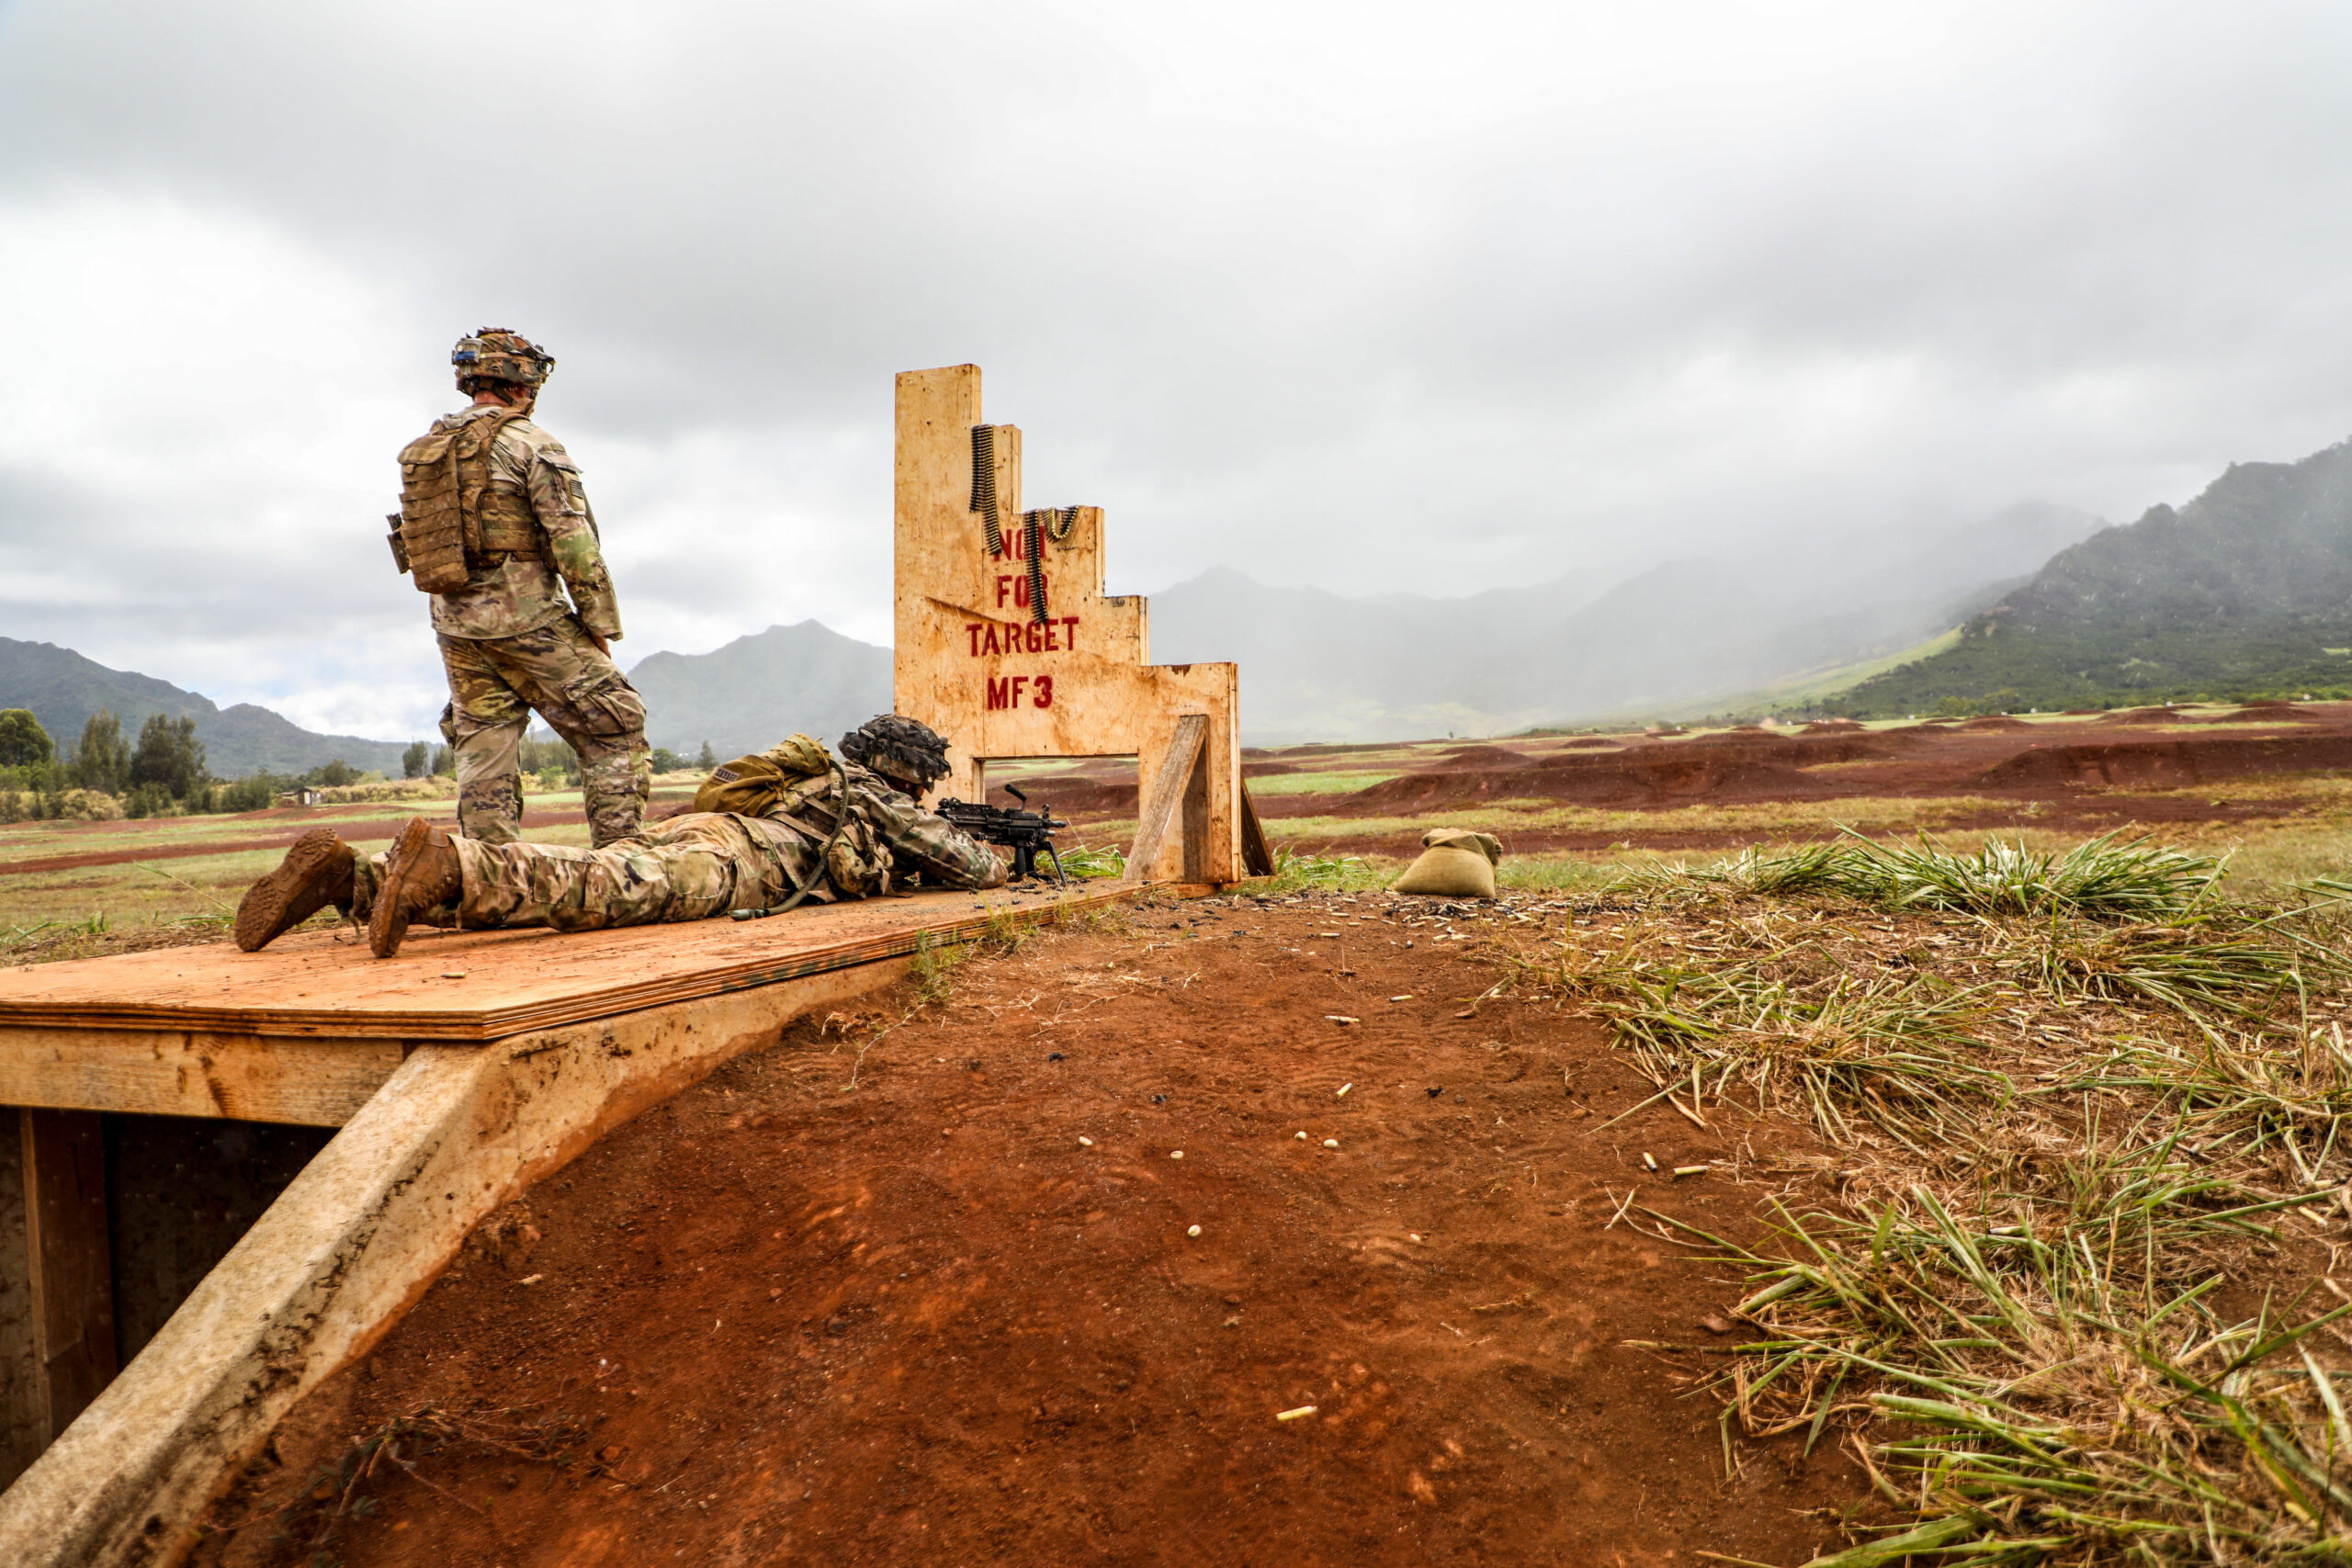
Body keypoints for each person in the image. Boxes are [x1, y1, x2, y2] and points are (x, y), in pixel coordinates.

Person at [231, 716, 1007, 957]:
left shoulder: (818, 781)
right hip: (739, 862)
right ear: (909, 771)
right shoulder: (877, 798)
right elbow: (966, 866)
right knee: (599, 889)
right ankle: (450, 864)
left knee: (595, 866)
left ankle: (354, 879)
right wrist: (999, 857)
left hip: (712, 828)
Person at [389, 328, 649, 849]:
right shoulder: (533, 443)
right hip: (525, 616)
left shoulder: (431, 446)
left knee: (484, 747)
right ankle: (624, 864)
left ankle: (489, 876)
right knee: (615, 723)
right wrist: (599, 624)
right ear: (521, 382)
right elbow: (574, 544)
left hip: (456, 625)